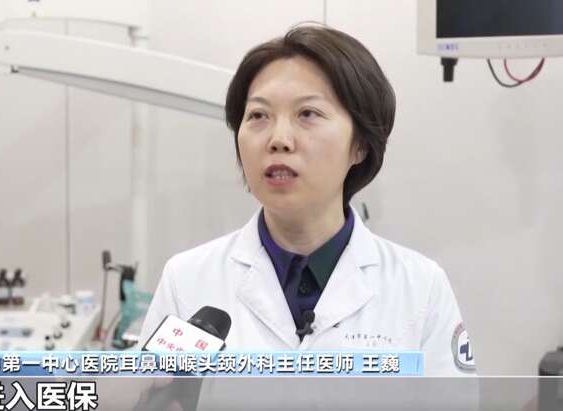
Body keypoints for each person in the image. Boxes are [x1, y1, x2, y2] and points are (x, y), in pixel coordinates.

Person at [140, 25, 475, 376]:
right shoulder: (187, 280)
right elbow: (150, 395)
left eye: (308, 114)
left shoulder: (419, 288)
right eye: (258, 116)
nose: (279, 139)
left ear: (360, 145)